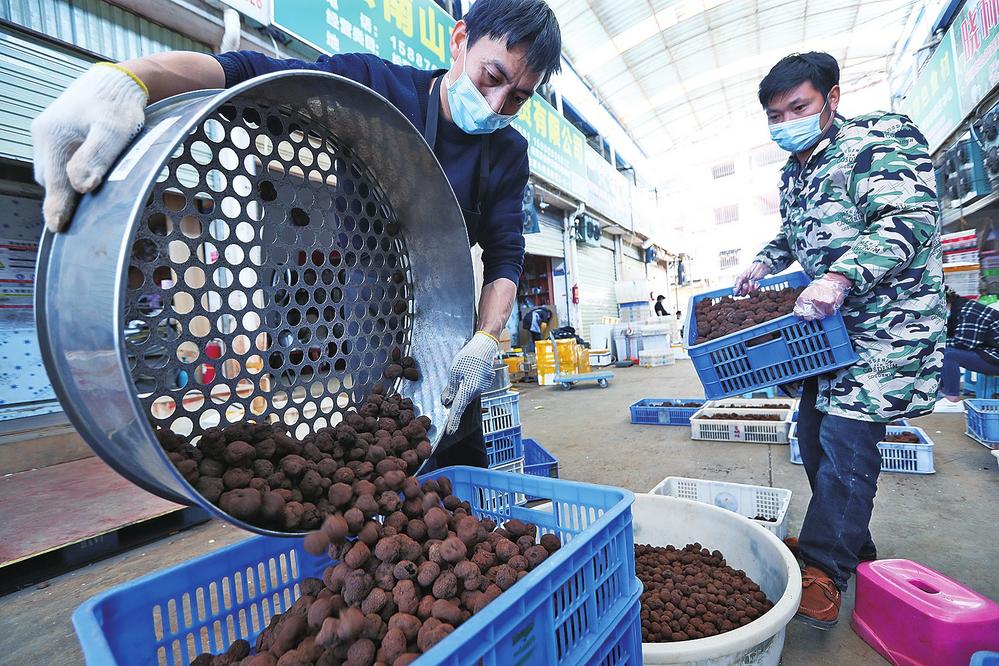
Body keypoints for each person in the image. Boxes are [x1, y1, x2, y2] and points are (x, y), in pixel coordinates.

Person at [31, 0, 562, 470]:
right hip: (369, 302)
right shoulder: (377, 88)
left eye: (517, 98)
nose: (495, 105)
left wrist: (486, 339)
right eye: (491, 77)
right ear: (460, 38)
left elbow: (505, 255)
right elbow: (251, 74)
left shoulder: (508, 152)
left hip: (449, 312)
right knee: (387, 439)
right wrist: (130, 80)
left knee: (457, 436)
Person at [735, 52, 944, 629]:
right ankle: (849, 540)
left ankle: (825, 569)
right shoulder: (796, 170)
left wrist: (840, 277)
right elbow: (796, 232)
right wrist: (765, 260)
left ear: (831, 99)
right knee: (813, 436)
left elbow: (908, 218)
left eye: (797, 107)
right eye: (775, 115)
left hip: (885, 329)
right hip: (827, 334)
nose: (786, 123)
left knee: (847, 445)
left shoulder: (878, 140)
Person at [935, 288, 999, 412]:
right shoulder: (957, 310)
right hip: (989, 351)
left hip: (995, 355)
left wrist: (933, 344)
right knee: (942, 351)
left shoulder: (969, 310)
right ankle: (943, 393)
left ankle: (952, 400)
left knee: (948, 354)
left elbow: (965, 343)